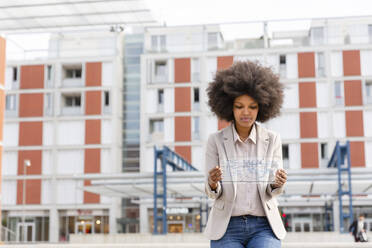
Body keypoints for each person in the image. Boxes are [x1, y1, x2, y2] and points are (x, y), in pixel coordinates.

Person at [204, 61, 287, 248]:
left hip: (264, 226)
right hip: (226, 227)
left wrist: (277, 183)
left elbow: (273, 190)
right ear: (229, 108)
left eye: (252, 106)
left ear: (262, 107)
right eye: (239, 106)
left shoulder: (272, 140)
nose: (246, 112)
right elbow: (210, 191)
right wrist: (212, 182)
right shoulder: (215, 141)